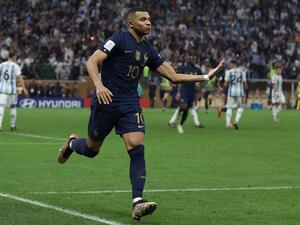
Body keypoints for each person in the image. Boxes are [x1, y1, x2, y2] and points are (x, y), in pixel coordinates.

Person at [57, 7, 224, 221]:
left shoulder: (148, 50)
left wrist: (205, 77)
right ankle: (71, 144)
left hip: (129, 103)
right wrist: (99, 86)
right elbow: (92, 61)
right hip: (106, 101)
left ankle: (137, 201)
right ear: (131, 23)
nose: (148, 23)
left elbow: (172, 76)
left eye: (149, 19)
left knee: (136, 145)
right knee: (91, 149)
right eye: (143, 19)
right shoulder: (118, 39)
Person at [168, 55, 205, 133]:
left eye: (195, 59)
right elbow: (176, 77)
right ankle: (173, 121)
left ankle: (179, 125)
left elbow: (202, 81)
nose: (194, 60)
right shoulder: (184, 68)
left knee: (187, 108)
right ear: (189, 60)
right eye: (192, 59)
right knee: (185, 106)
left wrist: (200, 92)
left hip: (192, 90)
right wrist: (177, 90)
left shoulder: (197, 70)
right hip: (184, 89)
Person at [0, 52, 28, 131]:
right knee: (13, 107)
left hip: (2, 89)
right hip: (12, 90)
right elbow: (20, 78)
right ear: (14, 57)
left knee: (1, 107)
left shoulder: (1, 65)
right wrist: (24, 88)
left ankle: (0, 125)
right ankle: (12, 126)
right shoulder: (15, 66)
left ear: (8, 56)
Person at [224, 59, 247, 129]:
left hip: (231, 92)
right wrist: (245, 92)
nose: (230, 65)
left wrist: (224, 91)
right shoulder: (242, 72)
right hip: (240, 92)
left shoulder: (228, 72)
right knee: (241, 107)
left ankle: (228, 123)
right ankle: (236, 121)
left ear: (233, 64)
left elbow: (225, 84)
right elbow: (245, 83)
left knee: (229, 107)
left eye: (230, 64)